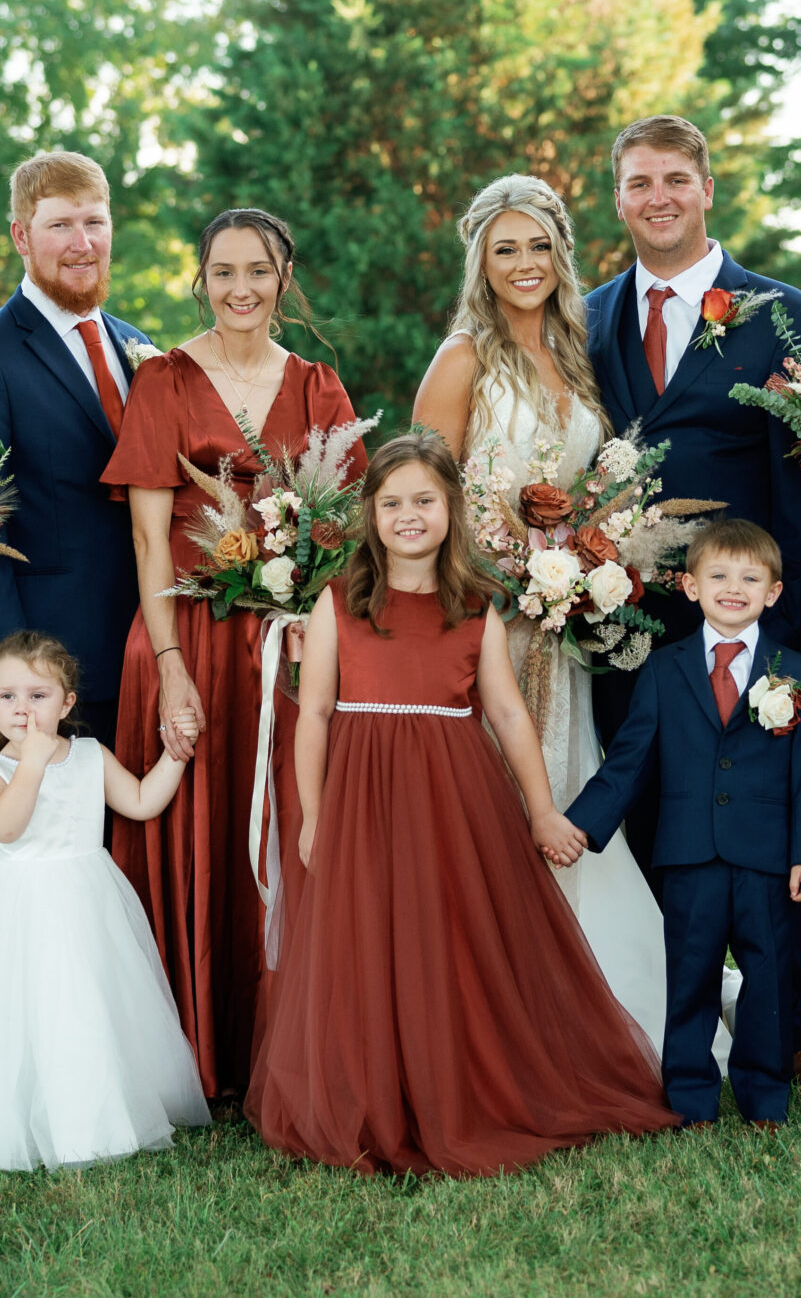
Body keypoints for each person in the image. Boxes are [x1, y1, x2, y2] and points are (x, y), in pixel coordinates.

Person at [247, 433, 678, 1176]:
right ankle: (379, 1092)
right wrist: (314, 814)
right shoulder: (340, 602)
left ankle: (454, 1085)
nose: (409, 515)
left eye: (424, 500)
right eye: (391, 503)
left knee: (447, 936)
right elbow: (312, 712)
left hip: (453, 794)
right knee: (368, 938)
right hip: (361, 795)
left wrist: (543, 811)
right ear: (370, 514)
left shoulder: (475, 605)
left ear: (450, 507)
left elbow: (508, 714)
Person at [582, 113, 801, 1096]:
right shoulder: (584, 315)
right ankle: (666, 1029)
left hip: (741, 620)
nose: (658, 198)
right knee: (661, 823)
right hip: (615, 623)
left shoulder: (782, 315)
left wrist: (777, 629)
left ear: (705, 187)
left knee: (762, 830)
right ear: (618, 197)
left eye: (675, 181)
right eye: (638, 182)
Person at [102, 207, 364, 1106]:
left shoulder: (318, 385)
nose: (240, 288)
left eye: (257, 270)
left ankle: (282, 1041)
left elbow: (346, 524)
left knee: (290, 824)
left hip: (285, 641)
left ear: (282, 279)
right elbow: (145, 538)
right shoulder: (165, 380)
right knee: (191, 830)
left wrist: (310, 619)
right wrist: (170, 662)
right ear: (200, 279)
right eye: (222, 272)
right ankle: (187, 1047)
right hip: (184, 631)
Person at [413, 174, 678, 1054]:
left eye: (538, 246)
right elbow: (425, 496)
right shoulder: (463, 359)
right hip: (486, 624)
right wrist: (507, 579)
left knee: (563, 800)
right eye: (505, 249)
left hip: (561, 631)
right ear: (480, 263)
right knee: (489, 818)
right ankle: (490, 1017)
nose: (524, 264)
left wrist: (583, 569)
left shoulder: (574, 352)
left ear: (562, 254)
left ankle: (579, 1011)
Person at [564, 521, 801, 1127]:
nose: (732, 587)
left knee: (768, 984)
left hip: (768, 859)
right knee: (690, 977)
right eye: (718, 575)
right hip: (688, 856)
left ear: (773, 592)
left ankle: (766, 1096)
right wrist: (579, 827)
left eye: (749, 578)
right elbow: (631, 762)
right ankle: (690, 1097)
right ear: (690, 586)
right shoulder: (664, 671)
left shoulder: (797, 672)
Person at [0, 631, 210, 1170]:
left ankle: (90, 1118)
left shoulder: (89, 756)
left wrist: (177, 755)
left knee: (83, 1010)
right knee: (24, 1016)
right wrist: (30, 762)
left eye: (38, 695)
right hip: (15, 917)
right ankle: (15, 1119)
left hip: (84, 907)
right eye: (7, 697)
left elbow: (142, 802)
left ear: (68, 702)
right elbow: (5, 828)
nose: (22, 709)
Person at [0, 151, 154, 765]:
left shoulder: (138, 347)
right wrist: (17, 686)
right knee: (35, 858)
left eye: (95, 223)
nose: (82, 243)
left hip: (142, 655)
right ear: (21, 236)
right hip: (41, 672)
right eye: (60, 225)